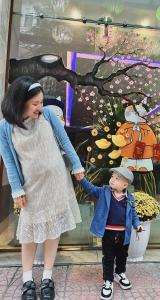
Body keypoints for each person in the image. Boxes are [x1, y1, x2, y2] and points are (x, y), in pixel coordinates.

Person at [0, 76, 84, 300]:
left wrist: (76, 164)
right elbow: (8, 158)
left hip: (56, 182)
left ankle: (47, 276)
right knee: (28, 233)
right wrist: (16, 189)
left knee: (52, 231)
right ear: (20, 102)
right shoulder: (5, 127)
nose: (41, 107)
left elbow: (64, 140)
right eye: (35, 103)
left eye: (41, 102)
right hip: (31, 187)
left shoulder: (47, 116)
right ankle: (27, 278)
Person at [77, 167, 142, 300]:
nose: (112, 180)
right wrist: (82, 179)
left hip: (124, 234)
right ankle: (108, 281)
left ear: (125, 184)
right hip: (108, 233)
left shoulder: (130, 198)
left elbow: (133, 214)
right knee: (108, 257)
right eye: (112, 176)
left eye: (117, 179)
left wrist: (138, 224)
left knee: (122, 255)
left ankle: (120, 273)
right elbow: (91, 188)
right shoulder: (104, 192)